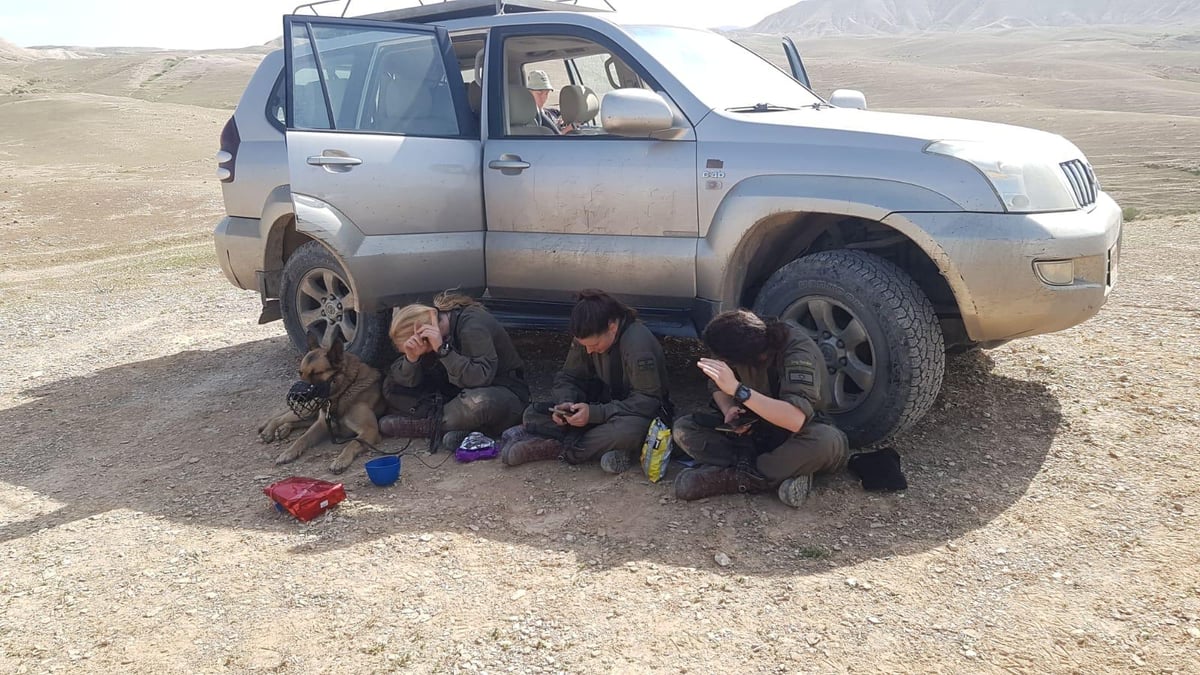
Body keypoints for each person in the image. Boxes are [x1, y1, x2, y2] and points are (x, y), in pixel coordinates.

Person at [671, 310, 849, 508]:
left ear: (753, 356)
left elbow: (795, 418)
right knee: (684, 428)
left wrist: (739, 391)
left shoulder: (797, 350)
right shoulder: (737, 339)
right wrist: (729, 409)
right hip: (756, 430)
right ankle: (779, 471)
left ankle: (737, 478)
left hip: (798, 433)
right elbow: (716, 384)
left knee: (826, 442)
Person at [501, 289, 669, 473]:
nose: (589, 351)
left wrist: (595, 414)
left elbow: (648, 402)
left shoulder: (638, 344)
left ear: (612, 326)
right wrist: (566, 404)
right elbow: (569, 377)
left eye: (595, 345)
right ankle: (600, 448)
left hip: (634, 415)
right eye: (585, 346)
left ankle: (560, 449)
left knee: (627, 432)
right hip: (602, 407)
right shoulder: (587, 337)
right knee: (533, 413)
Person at [379, 292, 529, 451]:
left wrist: (442, 350)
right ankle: (455, 425)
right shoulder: (441, 328)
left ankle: (430, 425)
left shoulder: (472, 325)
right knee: (391, 386)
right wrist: (412, 358)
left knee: (478, 403)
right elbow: (402, 379)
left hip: (503, 392)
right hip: (457, 390)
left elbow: (480, 378)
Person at [526, 69, 573, 134]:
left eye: (546, 93)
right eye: (539, 93)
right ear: (528, 92)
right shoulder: (527, 118)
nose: (543, 98)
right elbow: (555, 139)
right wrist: (569, 129)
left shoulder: (546, 113)